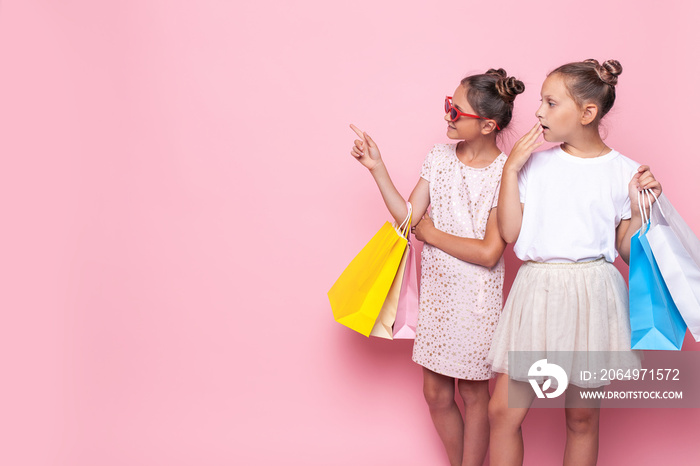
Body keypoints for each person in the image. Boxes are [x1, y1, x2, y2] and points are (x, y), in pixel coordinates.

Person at [487, 59, 662, 466]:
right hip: (538, 295)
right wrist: (510, 168)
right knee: (504, 412)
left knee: (581, 417)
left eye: (550, 103)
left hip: (592, 297)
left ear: (587, 113)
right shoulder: (534, 164)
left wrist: (641, 212)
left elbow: (628, 250)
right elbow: (510, 233)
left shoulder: (625, 172)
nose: (538, 112)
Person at [349, 69, 524, 466]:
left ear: (487, 125)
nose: (447, 115)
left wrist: (432, 235)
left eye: (455, 110)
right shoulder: (439, 157)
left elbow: (489, 253)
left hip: (478, 302)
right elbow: (410, 220)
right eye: (448, 105)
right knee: (436, 394)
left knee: (475, 394)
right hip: (439, 297)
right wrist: (377, 168)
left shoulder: (505, 173)